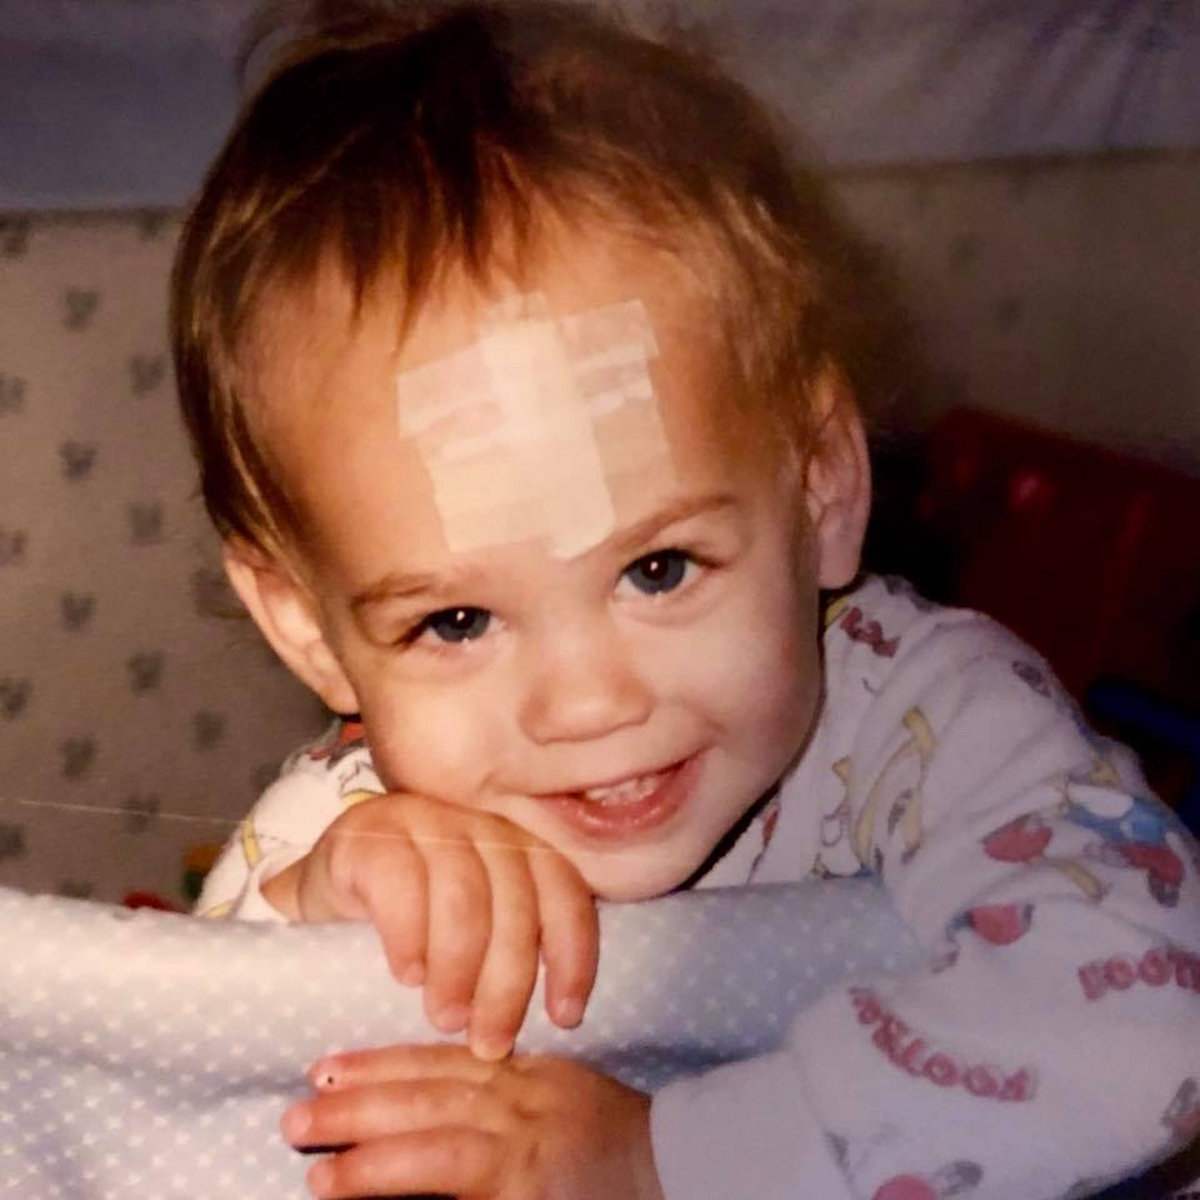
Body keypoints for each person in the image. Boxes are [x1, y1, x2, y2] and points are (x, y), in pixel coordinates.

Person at [176, 2, 1200, 1197]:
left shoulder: (924, 720)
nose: (589, 705)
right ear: (309, 628)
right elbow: (167, 1103)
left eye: (657, 569)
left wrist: (663, 1160)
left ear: (820, 485)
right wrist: (310, 917)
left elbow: (1153, 1015)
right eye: (456, 621)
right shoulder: (360, 827)